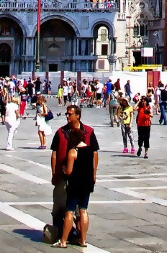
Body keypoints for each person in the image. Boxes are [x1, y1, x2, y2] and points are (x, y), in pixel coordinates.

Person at [52, 105, 99, 249]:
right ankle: (79, 239)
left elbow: (96, 155)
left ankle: (67, 239)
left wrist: (94, 173)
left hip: (73, 180)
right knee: (63, 209)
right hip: (81, 181)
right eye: (66, 114)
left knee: (72, 211)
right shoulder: (61, 132)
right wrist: (54, 173)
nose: (67, 116)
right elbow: (54, 153)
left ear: (77, 115)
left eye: (69, 114)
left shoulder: (89, 132)